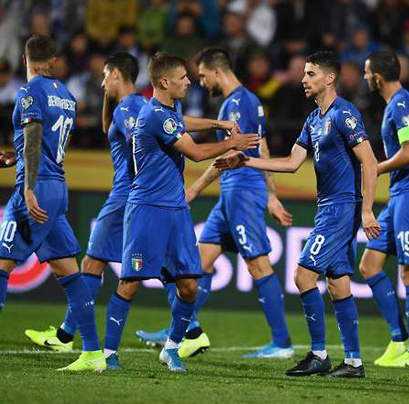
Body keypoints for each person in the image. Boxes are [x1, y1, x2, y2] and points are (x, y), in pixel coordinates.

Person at [22, 51, 244, 369]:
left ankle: (78, 335)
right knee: (128, 272)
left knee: (127, 270)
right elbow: (122, 129)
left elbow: (158, 133)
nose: (102, 83)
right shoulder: (139, 107)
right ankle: (90, 342)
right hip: (145, 200)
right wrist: (221, 130)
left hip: (140, 197)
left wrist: (213, 129)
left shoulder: (138, 108)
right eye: (183, 77)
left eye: (105, 77)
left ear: (116, 74)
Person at [0, 35, 104, 372]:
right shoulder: (67, 96)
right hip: (57, 186)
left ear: (24, 60)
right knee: (69, 271)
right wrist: (17, 157)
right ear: (53, 61)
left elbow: (35, 138)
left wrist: (27, 187)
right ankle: (93, 353)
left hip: (36, 188)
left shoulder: (29, 92)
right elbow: (49, 144)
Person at [214, 51, 380, 378]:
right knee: (338, 284)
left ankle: (318, 355)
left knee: (303, 275)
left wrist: (366, 210)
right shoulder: (313, 119)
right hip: (326, 207)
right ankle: (353, 362)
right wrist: (246, 160)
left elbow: (370, 161)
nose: (303, 79)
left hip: (342, 207)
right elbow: (291, 163)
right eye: (304, 74)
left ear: (329, 78)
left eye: (310, 74)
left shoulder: (344, 114)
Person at [95, 51, 260, 373]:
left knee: (188, 286)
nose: (189, 82)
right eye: (183, 78)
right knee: (129, 283)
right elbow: (195, 153)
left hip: (176, 210)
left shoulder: (170, 110)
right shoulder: (153, 114)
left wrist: (218, 123)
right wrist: (232, 142)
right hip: (147, 209)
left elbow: (183, 123)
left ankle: (171, 349)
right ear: (164, 82)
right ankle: (109, 353)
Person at [136, 46, 294, 359]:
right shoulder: (248, 100)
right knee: (201, 263)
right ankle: (182, 329)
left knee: (257, 264)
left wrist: (194, 189)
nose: (200, 82)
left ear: (217, 71)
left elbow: (231, 153)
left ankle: (282, 343)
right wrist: (271, 194)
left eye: (203, 75)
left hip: (241, 190)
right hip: (234, 192)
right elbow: (261, 146)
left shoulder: (236, 104)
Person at [360, 51, 409, 369]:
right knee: (369, 265)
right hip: (400, 196)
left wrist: (375, 168)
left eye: (367, 72)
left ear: (378, 77)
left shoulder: (402, 104)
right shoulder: (395, 104)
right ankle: (397, 340)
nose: (365, 77)